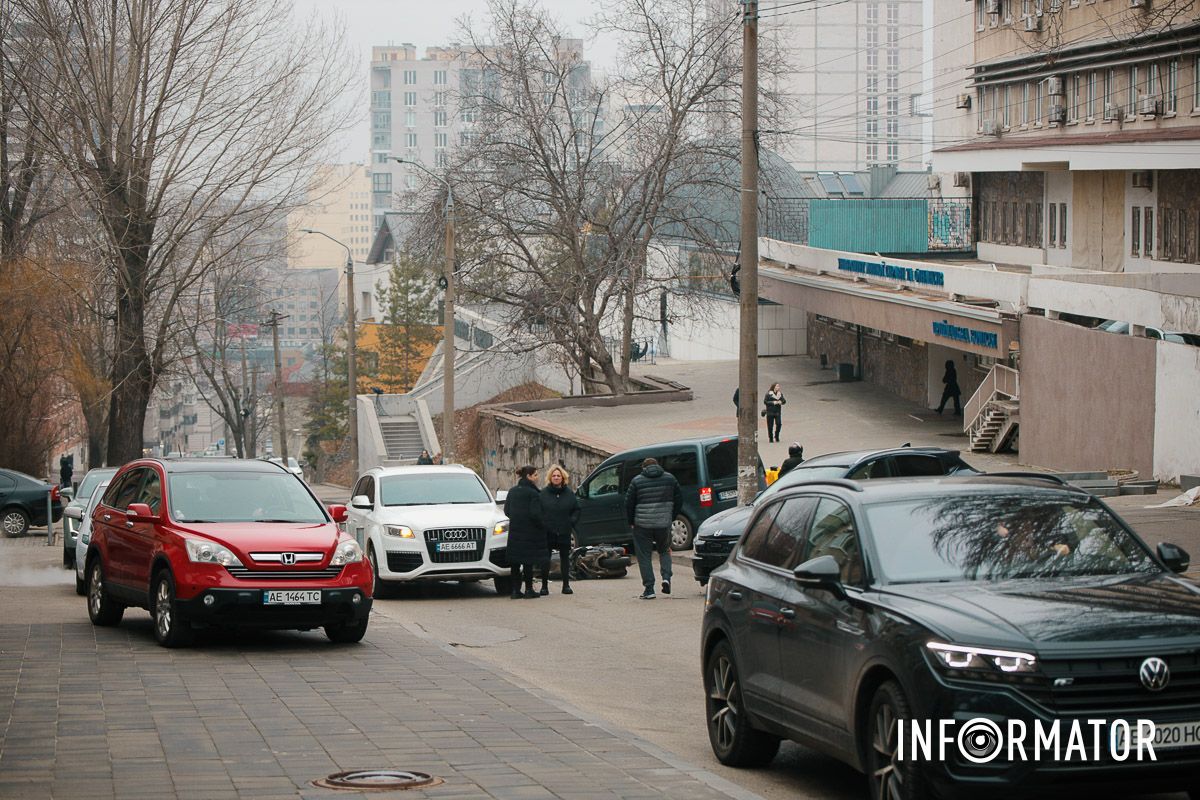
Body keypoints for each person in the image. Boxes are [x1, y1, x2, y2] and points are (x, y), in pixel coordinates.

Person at [625, 457, 683, 600]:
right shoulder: (670, 479)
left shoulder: (637, 481)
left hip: (642, 525)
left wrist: (631, 521)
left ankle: (649, 589)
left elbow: (629, 503)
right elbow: (679, 499)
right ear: (658, 466)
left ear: (644, 468)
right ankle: (666, 578)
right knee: (664, 551)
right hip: (663, 523)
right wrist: (671, 516)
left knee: (644, 556)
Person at [503, 466, 548, 599]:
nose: (537, 477)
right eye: (535, 475)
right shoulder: (533, 493)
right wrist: (543, 525)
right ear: (528, 476)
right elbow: (536, 514)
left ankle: (515, 591)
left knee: (515, 563)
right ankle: (529, 590)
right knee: (528, 561)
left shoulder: (512, 491)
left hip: (515, 532)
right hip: (530, 532)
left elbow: (507, 511)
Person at [538, 465, 580, 595]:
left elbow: (576, 510)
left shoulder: (569, 493)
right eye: (554, 476)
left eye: (558, 476)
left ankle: (566, 585)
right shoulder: (543, 494)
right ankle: (544, 586)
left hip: (564, 530)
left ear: (563, 478)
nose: (556, 478)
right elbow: (538, 511)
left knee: (565, 559)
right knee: (545, 559)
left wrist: (571, 522)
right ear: (550, 478)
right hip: (548, 531)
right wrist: (543, 524)